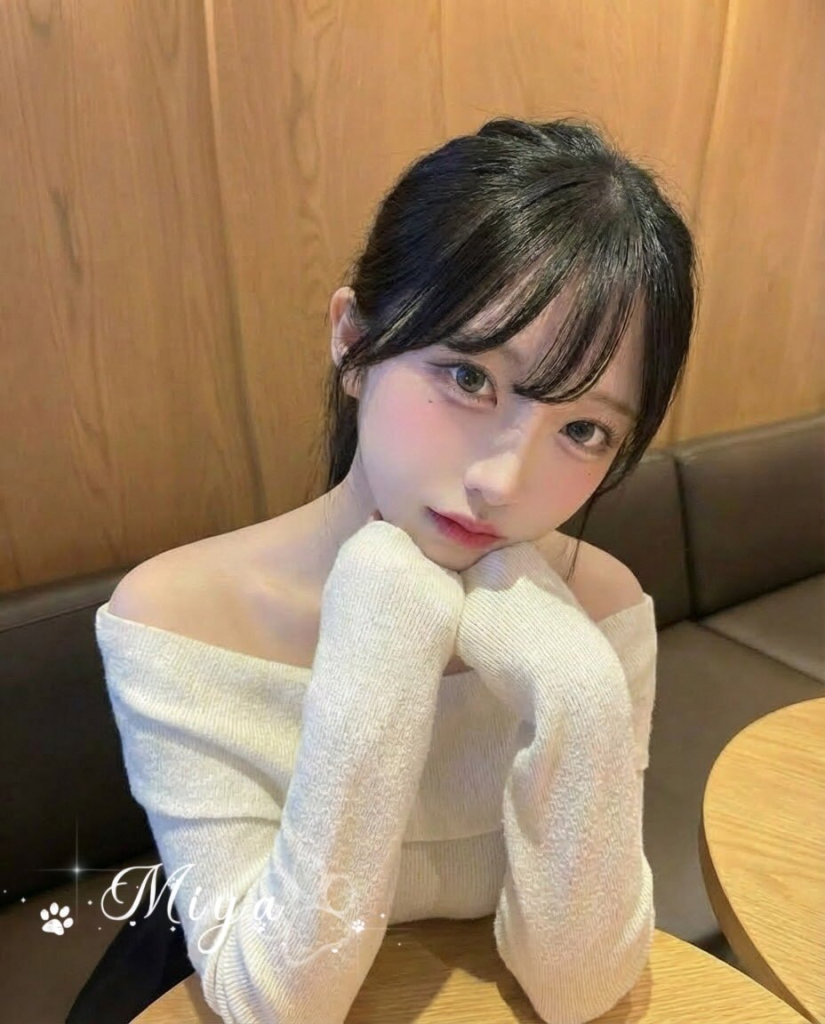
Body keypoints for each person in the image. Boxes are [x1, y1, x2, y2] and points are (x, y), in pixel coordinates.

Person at [68, 115, 697, 1024]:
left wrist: (577, 694)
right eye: (468, 378)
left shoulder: (601, 611)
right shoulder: (176, 620)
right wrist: (381, 644)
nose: (500, 484)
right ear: (353, 341)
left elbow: (580, 989)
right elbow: (275, 1004)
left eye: (582, 429)